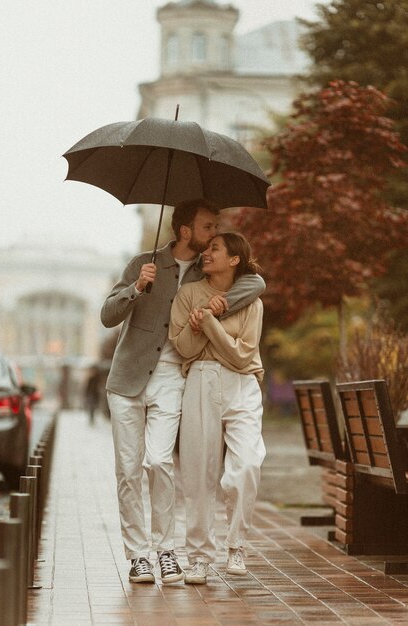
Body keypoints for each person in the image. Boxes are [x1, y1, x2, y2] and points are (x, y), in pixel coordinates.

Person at [100, 199, 265, 585]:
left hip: (173, 375)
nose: (213, 238)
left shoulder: (205, 276)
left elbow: (256, 281)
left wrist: (222, 304)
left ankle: (165, 550)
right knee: (127, 471)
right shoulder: (143, 263)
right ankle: (139, 555)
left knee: (159, 463)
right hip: (127, 378)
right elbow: (108, 315)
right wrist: (137, 287)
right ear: (186, 230)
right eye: (208, 228)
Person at [169, 231, 266, 584]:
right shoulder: (189, 294)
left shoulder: (252, 301)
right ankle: (198, 558)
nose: (206, 253)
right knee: (198, 472)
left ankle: (236, 544)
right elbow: (183, 348)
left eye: (215, 248)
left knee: (247, 464)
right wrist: (201, 329)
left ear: (234, 259)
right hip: (201, 379)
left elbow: (243, 355)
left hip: (243, 385)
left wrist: (208, 323)